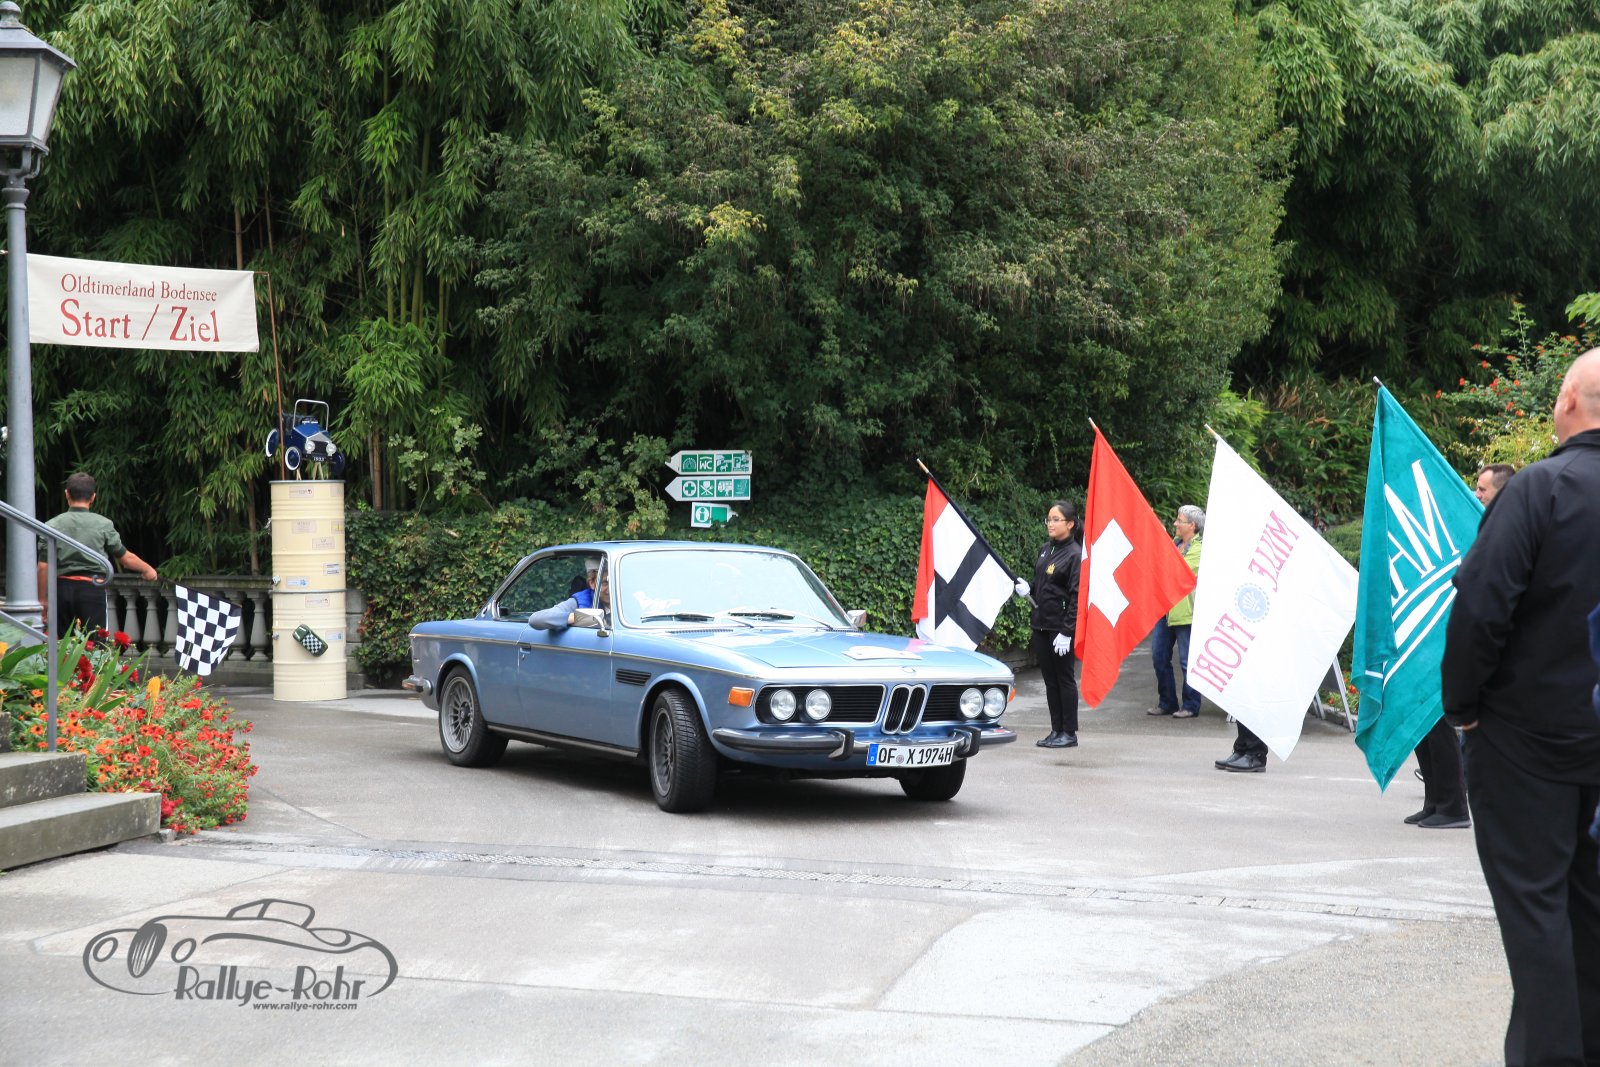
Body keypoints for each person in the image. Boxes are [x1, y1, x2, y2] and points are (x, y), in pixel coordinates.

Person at [1441, 347, 1600, 1067]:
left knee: (1536, 910)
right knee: (1591, 911)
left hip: (1528, 743)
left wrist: (1463, 706)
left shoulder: (1541, 488)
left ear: (1567, 401)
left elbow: (1481, 606)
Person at [36, 472, 158, 636]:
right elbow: (126, 558)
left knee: (62, 643)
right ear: (93, 497)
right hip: (92, 589)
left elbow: (43, 567)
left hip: (61, 590)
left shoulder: (52, 525)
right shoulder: (103, 524)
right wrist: (148, 570)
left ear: (67, 494)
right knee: (93, 642)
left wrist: (42, 600)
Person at [1030, 501, 1082, 748]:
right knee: (1050, 681)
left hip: (1060, 628)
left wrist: (1067, 631)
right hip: (1041, 624)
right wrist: (1027, 588)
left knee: (1064, 679)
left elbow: (1076, 596)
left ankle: (1069, 732)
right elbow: (1042, 584)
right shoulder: (1045, 549)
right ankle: (1056, 729)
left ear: (1070, 524)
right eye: (1048, 519)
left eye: (1056, 519)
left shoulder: (1074, 554)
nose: (1050, 524)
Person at [1148, 505, 1204, 719]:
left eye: (1179, 520)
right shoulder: (1174, 543)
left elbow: (1179, 571)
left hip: (1186, 612)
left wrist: (1161, 545)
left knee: (1187, 661)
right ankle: (1167, 702)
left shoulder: (1200, 548)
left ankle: (1191, 705)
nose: (1175, 524)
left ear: (1192, 525)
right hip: (1165, 609)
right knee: (1159, 657)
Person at [530, 571, 610, 630]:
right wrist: (582, 618)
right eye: (605, 583)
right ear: (592, 583)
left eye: (615, 582)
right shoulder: (580, 601)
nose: (610, 589)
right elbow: (536, 619)